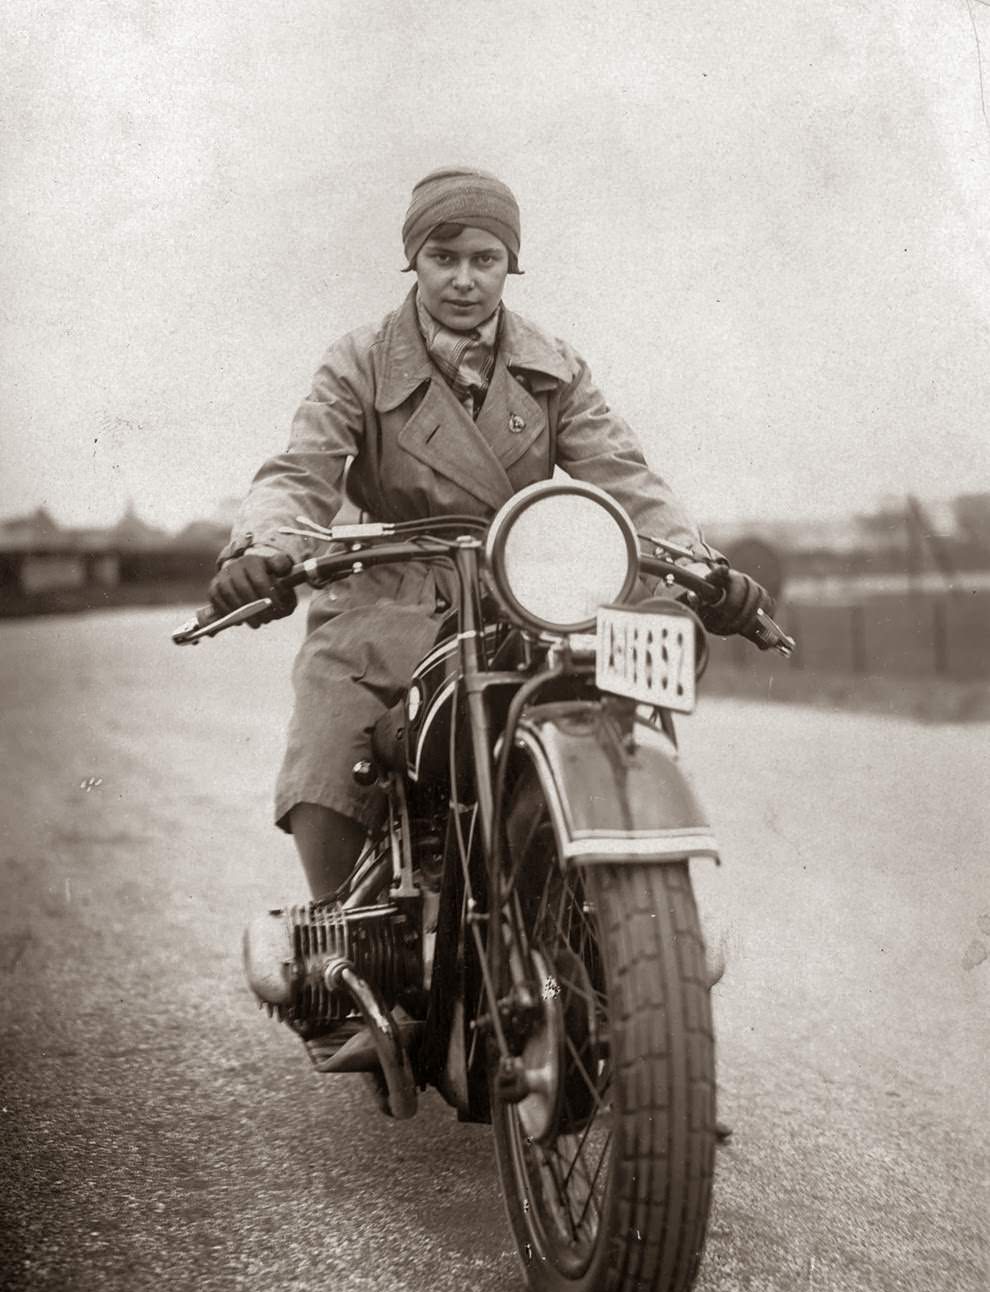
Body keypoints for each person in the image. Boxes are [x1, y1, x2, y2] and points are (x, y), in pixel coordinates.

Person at [211, 166, 770, 901]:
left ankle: (609, 890)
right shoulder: (358, 362)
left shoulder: (555, 367)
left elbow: (624, 477)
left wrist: (701, 566)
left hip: (523, 591)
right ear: (414, 260)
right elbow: (300, 470)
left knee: (616, 687)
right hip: (392, 591)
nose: (466, 281)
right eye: (445, 259)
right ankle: (339, 945)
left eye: (487, 259)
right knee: (332, 726)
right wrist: (266, 549)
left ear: (511, 263)